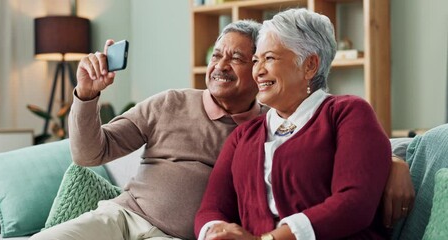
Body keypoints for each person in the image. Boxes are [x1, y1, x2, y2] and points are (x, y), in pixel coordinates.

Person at [30, 19, 265, 240]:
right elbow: (88, 154)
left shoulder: (269, 127)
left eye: (236, 58)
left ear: (258, 68)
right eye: (216, 55)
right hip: (121, 218)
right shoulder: (170, 103)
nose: (220, 66)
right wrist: (86, 94)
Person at [194, 8, 391, 240]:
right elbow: (212, 208)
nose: (258, 71)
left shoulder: (348, 113)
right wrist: (214, 233)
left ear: (309, 66)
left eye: (269, 58)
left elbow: (354, 203)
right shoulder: (244, 135)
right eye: (256, 60)